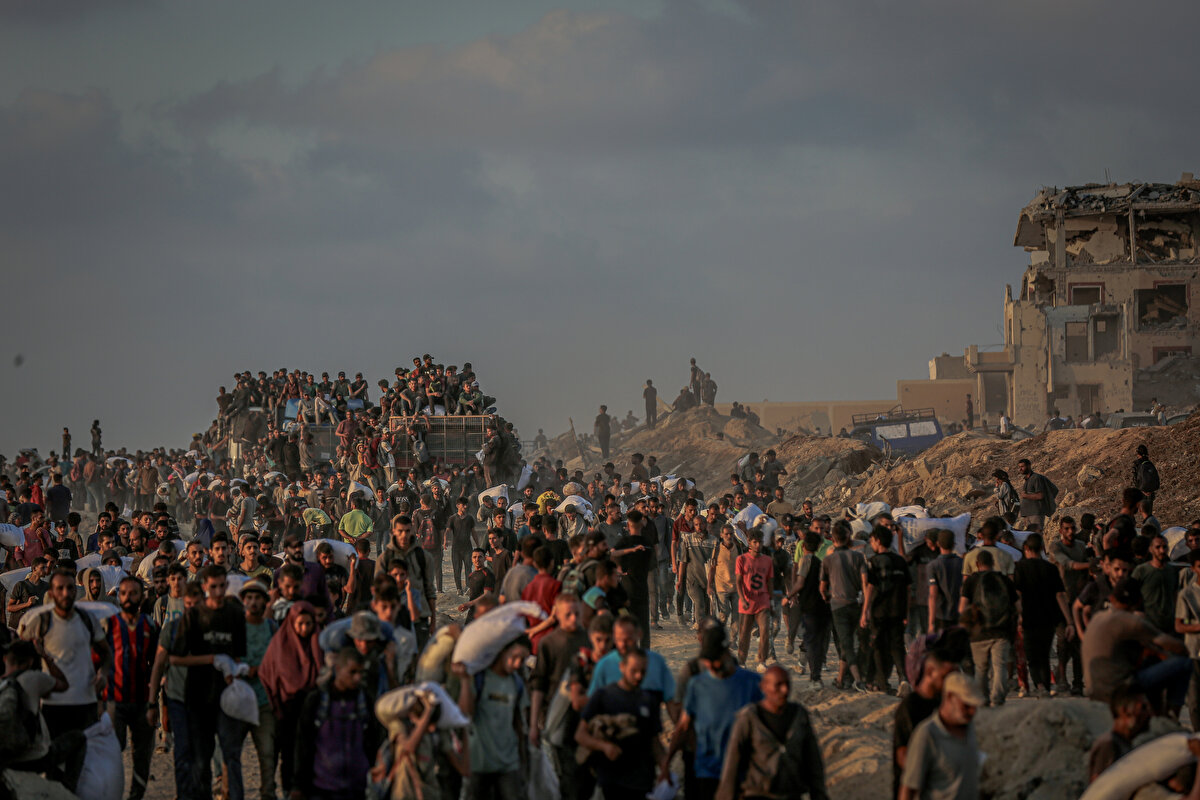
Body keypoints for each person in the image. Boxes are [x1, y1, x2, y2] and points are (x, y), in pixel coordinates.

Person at [168, 565, 248, 800]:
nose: (219, 592)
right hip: (199, 697)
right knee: (201, 760)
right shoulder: (193, 615)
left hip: (227, 698)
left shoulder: (235, 614)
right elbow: (175, 658)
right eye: (213, 587)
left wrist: (235, 670)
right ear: (205, 587)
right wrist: (211, 659)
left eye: (222, 586)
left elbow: (239, 654)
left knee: (231, 756)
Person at [664, 623, 763, 800]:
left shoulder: (753, 683)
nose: (710, 665)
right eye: (707, 660)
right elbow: (684, 725)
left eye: (715, 660)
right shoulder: (697, 684)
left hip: (742, 772)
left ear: (726, 652)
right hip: (707, 771)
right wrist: (667, 763)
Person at [21, 568, 112, 740]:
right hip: (52, 703)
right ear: (51, 593)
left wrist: (103, 674)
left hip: (85, 701)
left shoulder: (87, 619)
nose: (65, 593)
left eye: (70, 588)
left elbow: (106, 653)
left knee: (83, 753)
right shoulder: (40, 621)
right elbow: (21, 658)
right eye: (60, 588)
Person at [717, 665, 829, 800]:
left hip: (791, 794)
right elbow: (733, 763)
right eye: (778, 685)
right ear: (764, 687)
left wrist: (819, 793)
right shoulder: (749, 718)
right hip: (757, 794)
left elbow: (813, 759)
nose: (784, 690)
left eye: (787, 684)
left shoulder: (799, 716)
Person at [1084, 578, 1189, 709]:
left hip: (1093, 688)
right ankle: (1171, 714)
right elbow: (1175, 646)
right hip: (1119, 688)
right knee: (1184, 663)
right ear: (1139, 601)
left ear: (1111, 598)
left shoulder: (1098, 617)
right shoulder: (1131, 621)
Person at [579, 648, 667, 800]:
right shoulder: (603, 696)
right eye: (634, 671)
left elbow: (655, 741)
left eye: (643, 671)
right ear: (622, 667)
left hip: (642, 781)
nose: (639, 676)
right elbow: (581, 735)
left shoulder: (649, 700)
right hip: (612, 781)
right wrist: (604, 746)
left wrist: (665, 768)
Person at [294, 646, 381, 800]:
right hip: (322, 788)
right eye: (352, 672)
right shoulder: (317, 701)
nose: (357, 678)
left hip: (358, 789)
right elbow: (303, 745)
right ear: (338, 669)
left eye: (360, 673)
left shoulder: (365, 702)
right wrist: (299, 786)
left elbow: (374, 742)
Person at [1, 638, 87, 792]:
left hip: (6, 760)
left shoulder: (2, 685)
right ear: (29, 662)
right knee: (78, 738)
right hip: (34, 759)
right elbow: (63, 684)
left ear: (5, 659)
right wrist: (45, 656)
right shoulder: (34, 678)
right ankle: (65, 790)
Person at [454, 636, 531, 800]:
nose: (517, 664)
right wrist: (465, 681)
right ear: (502, 651)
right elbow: (465, 714)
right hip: (479, 764)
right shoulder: (480, 679)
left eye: (522, 660)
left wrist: (524, 761)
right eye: (515, 657)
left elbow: (518, 723)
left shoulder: (516, 683)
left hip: (508, 764)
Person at [260, 600, 324, 797]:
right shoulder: (280, 644)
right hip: (286, 710)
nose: (304, 629)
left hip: (313, 710)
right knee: (288, 755)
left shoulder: (318, 644)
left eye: (308, 624)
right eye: (300, 624)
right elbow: (267, 674)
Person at [107, 576, 158, 800]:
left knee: (142, 755)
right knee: (111, 752)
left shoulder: (150, 625)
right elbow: (99, 661)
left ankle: (136, 796)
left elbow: (157, 663)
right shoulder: (109, 625)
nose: (128, 598)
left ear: (141, 596)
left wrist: (154, 702)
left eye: (133, 593)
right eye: (124, 593)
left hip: (143, 700)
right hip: (114, 699)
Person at [898, 672, 985, 800]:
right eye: (966, 706)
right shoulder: (927, 734)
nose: (972, 712)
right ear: (949, 697)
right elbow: (909, 788)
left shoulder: (971, 728)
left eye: (974, 707)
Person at [1012, 533, 1069, 697]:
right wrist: (1069, 620)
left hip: (1029, 617)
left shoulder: (1020, 568)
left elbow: (1018, 594)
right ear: (1042, 548)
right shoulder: (1051, 568)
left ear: (1026, 548)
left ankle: (1040, 685)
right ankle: (1046, 686)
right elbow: (1060, 595)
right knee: (1044, 655)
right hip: (1048, 618)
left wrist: (1019, 616)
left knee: (1032, 655)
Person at [957, 550, 1016, 706]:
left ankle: (982, 699)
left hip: (979, 632)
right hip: (1002, 631)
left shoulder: (971, 581)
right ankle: (997, 698)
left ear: (977, 564)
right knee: (1000, 666)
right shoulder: (1004, 580)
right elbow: (1018, 606)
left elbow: (962, 608)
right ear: (993, 563)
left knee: (981, 668)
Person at [893, 653, 955, 798]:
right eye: (944, 677)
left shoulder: (941, 702)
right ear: (930, 672)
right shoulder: (910, 706)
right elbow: (903, 755)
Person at [862, 524, 911, 692]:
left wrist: (865, 611)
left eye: (872, 541)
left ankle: (882, 683)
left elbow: (870, 587)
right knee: (897, 645)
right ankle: (904, 678)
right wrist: (906, 612)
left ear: (878, 541)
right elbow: (908, 588)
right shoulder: (900, 561)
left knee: (878, 646)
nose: (871, 544)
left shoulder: (874, 562)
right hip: (898, 609)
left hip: (880, 611)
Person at [819, 521, 867, 691]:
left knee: (846, 644)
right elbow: (865, 583)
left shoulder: (829, 557)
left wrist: (826, 597)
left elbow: (822, 587)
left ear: (833, 538)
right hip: (856, 602)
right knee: (851, 643)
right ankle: (843, 678)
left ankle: (857, 679)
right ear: (848, 536)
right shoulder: (859, 554)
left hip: (838, 605)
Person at [1087, 686, 1151, 783]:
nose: (1148, 714)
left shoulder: (1123, 743)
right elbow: (1101, 787)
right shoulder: (1108, 745)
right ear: (1125, 711)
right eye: (1143, 708)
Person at [735, 529, 774, 672]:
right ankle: (741, 661)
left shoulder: (767, 560)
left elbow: (770, 582)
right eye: (755, 542)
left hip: (762, 600)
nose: (758, 545)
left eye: (760, 542)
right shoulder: (742, 559)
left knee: (765, 631)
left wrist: (771, 601)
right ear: (749, 543)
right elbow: (738, 582)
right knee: (744, 634)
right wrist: (742, 598)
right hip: (747, 601)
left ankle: (762, 661)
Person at [7, 554, 50, 629]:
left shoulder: (47, 586)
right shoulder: (21, 585)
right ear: (34, 569)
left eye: (46, 567)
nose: (45, 570)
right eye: (42, 568)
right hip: (21, 626)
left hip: (37, 626)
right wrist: (27, 604)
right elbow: (9, 608)